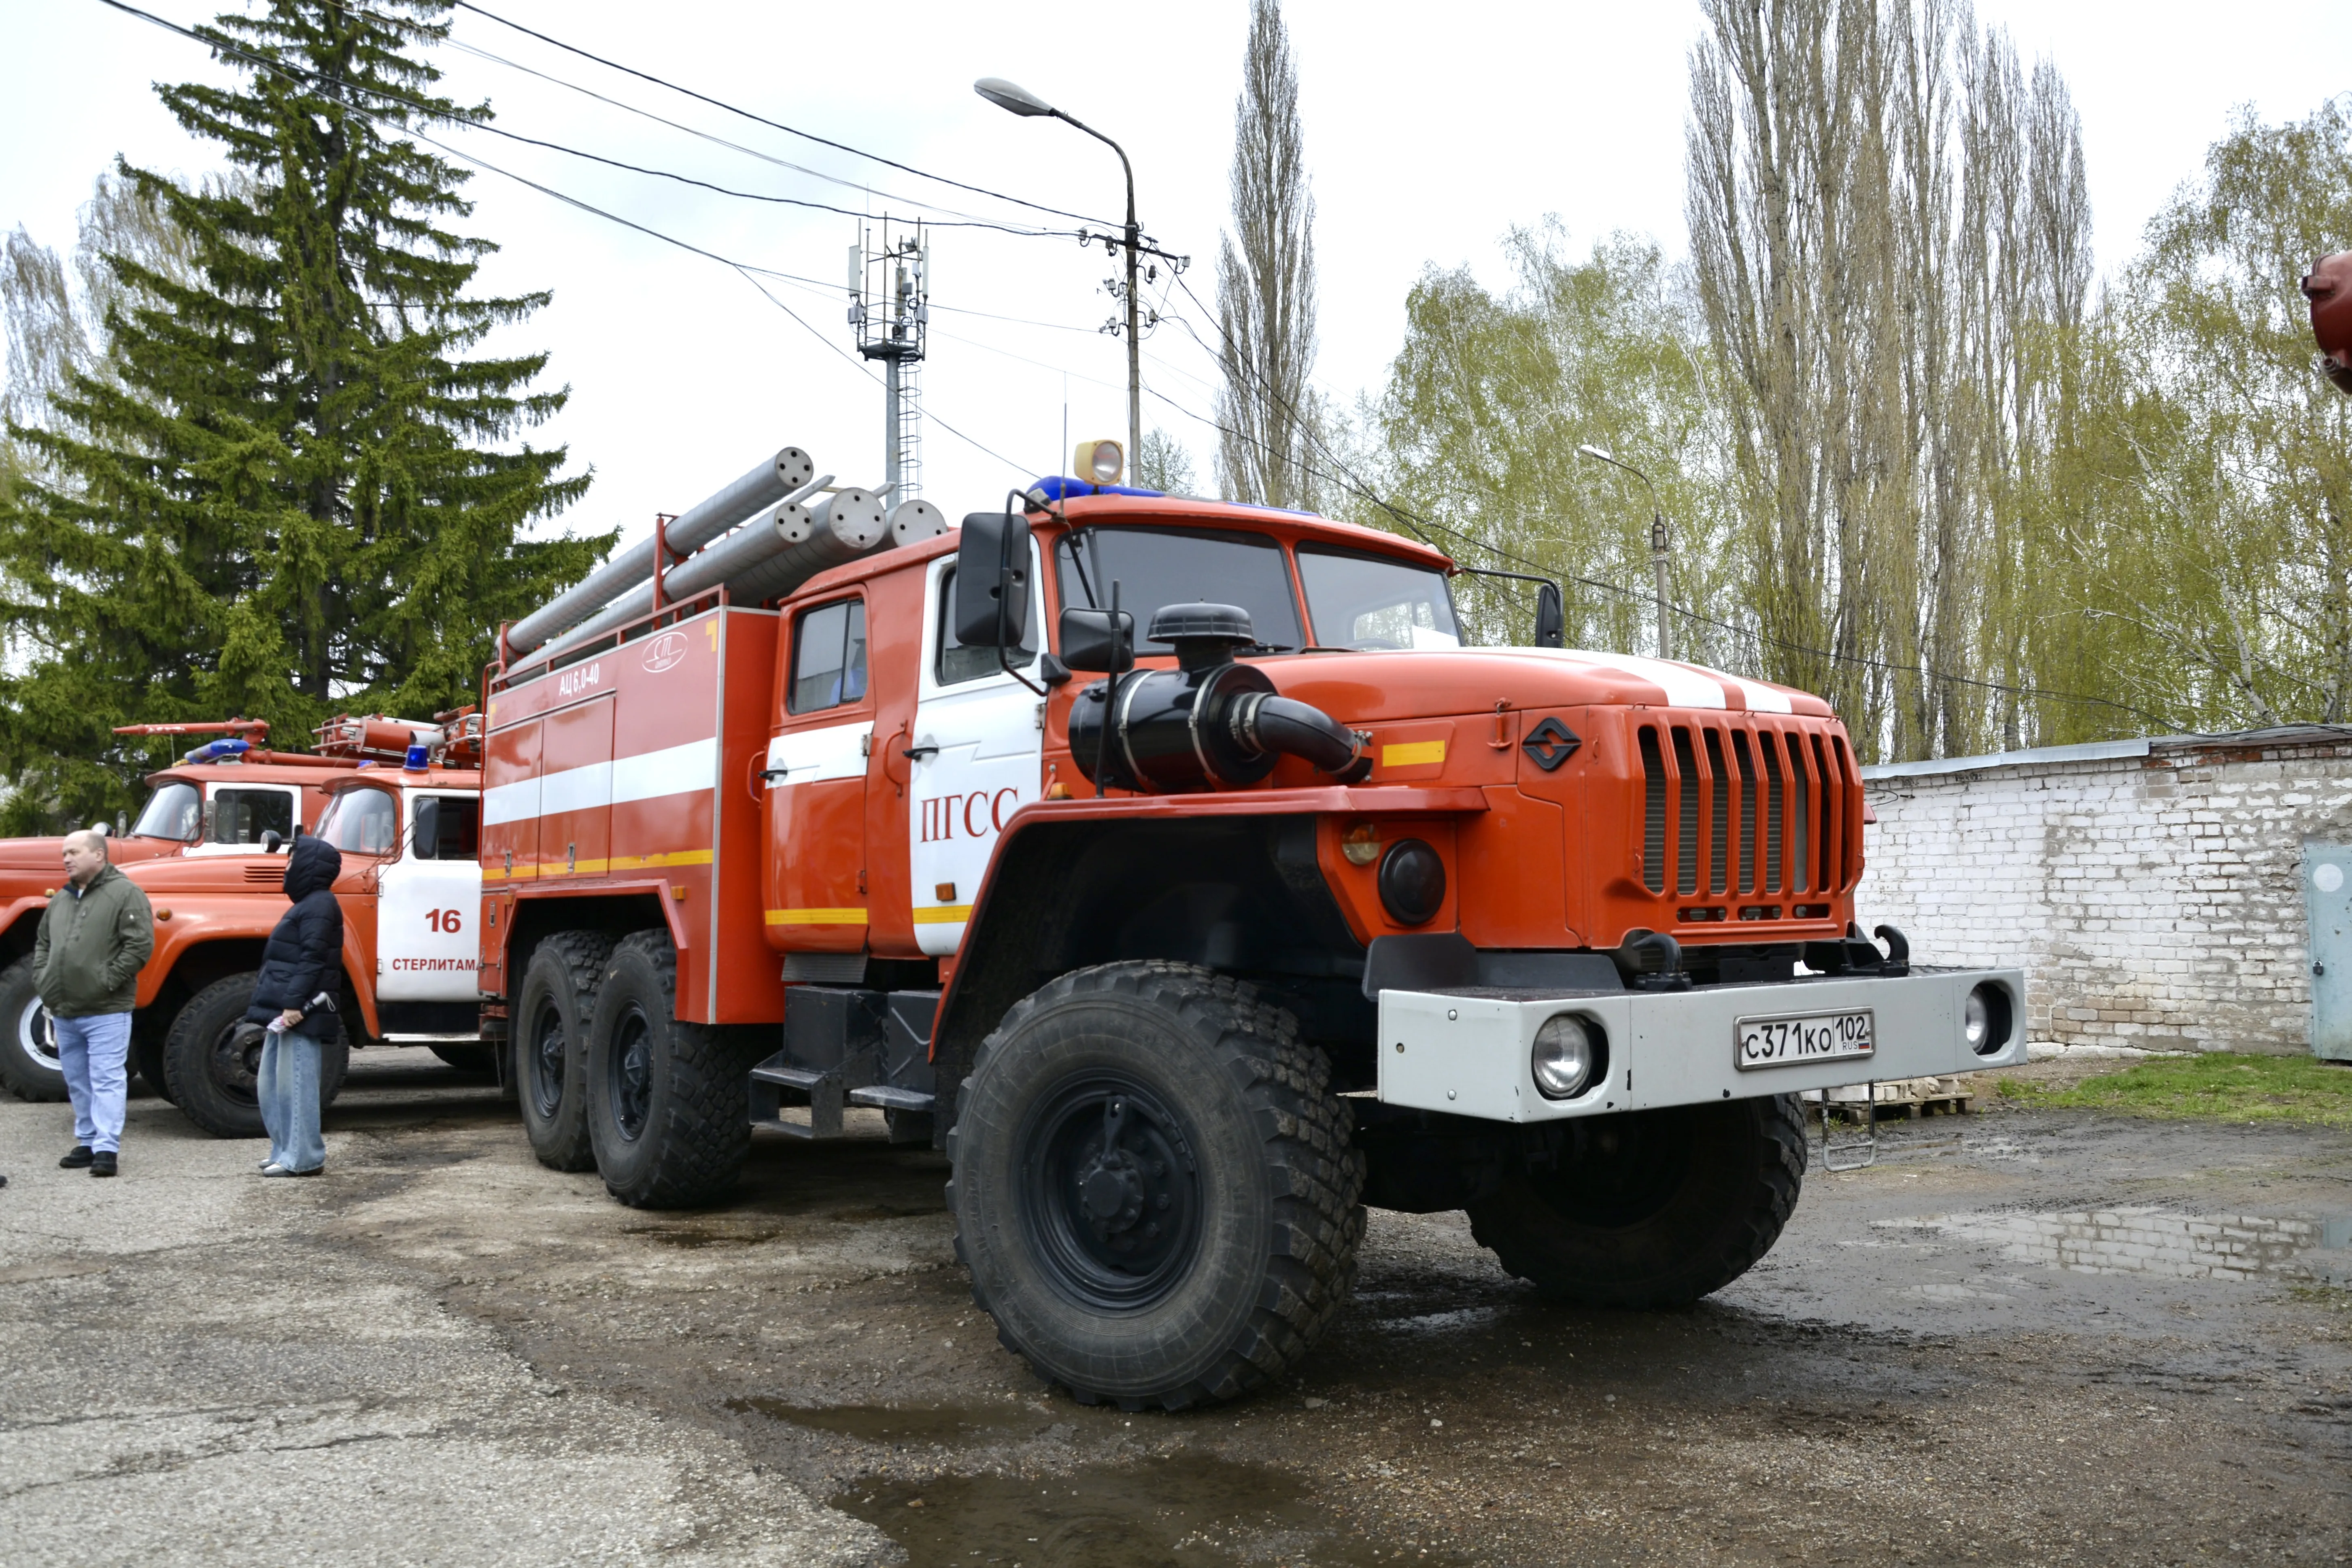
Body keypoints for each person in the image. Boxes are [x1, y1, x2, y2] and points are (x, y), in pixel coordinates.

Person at [33, 827, 155, 1178]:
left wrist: (106, 981)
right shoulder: (61, 899)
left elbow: (140, 946)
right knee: (77, 1081)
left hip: (106, 1011)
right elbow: (43, 944)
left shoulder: (125, 893)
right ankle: (87, 1142)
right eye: (64, 854)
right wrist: (43, 979)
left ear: (99, 855)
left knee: (106, 1079)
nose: (66, 859)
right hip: (65, 1010)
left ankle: (106, 1149)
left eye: (73, 852)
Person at [244, 833, 344, 1177]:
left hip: (300, 1012)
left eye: (292, 859)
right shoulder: (308, 904)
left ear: (308, 865)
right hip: (287, 1011)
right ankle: (283, 1150)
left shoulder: (319, 905)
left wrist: (293, 1004)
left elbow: (313, 959)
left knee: (295, 1086)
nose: (287, 867)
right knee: (273, 1086)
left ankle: (303, 1158)